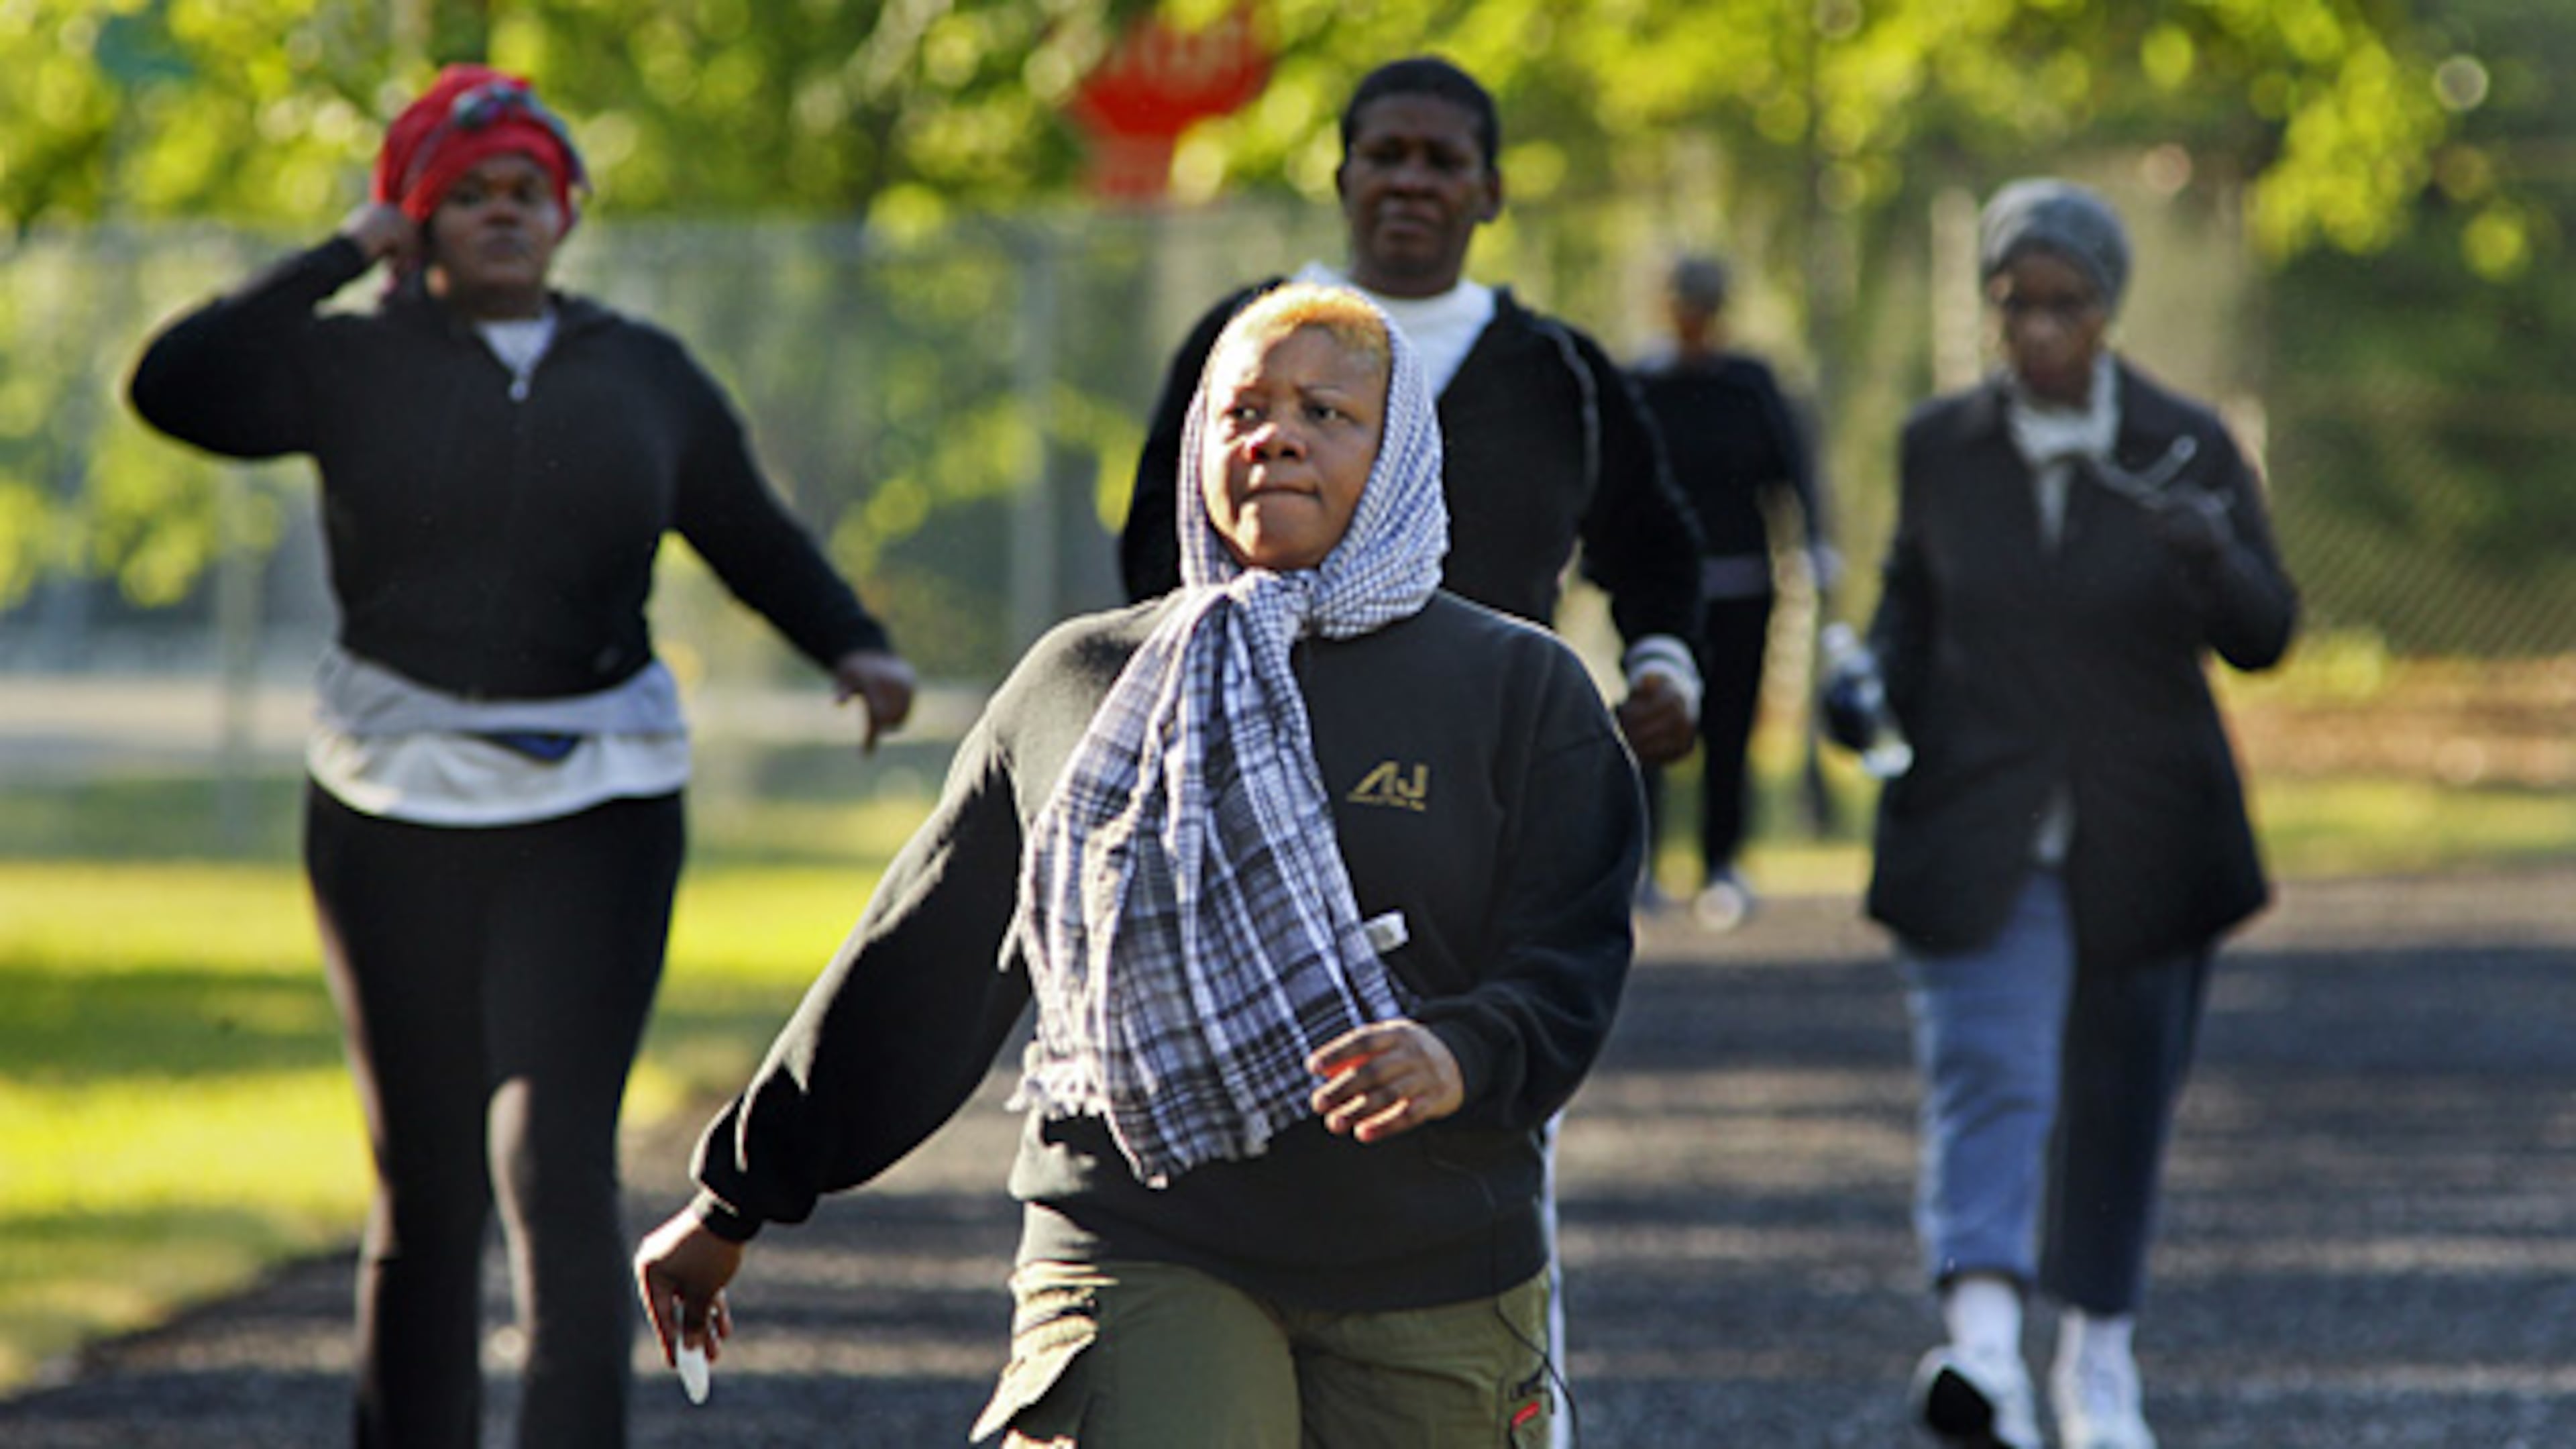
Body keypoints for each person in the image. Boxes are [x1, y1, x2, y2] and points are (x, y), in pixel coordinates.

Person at [633, 283, 1640, 1449]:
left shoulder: (1517, 687)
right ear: (1200, 442)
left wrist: (1464, 1052)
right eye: (1244, 409)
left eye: (1328, 411)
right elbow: (923, 961)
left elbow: (1572, 949)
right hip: (1140, 1234)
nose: (1278, 435)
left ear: (1404, 447)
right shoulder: (1082, 682)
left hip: (1431, 1250)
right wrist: (738, 1196)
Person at [126, 64, 916, 1448]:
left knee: (554, 1163)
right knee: (424, 1181)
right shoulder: (351, 359)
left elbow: (744, 526)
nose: (503, 216)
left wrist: (852, 642)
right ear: (420, 220)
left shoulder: (640, 368)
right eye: (467, 195)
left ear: (567, 216)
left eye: (527, 195)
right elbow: (175, 384)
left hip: (597, 799)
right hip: (391, 798)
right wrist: (348, 246)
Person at [1825, 179, 2298, 1449]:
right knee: (1990, 1074)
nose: (2038, 331)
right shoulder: (1939, 445)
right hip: (1980, 824)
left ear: (2110, 308)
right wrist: (1860, 690)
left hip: (2148, 833)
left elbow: (2266, 635)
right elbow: (1909, 616)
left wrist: (2209, 554)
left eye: (2066, 306)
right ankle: (1984, 1359)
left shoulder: (2186, 440)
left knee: (2119, 1099)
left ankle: (2098, 1366)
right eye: (2014, 305)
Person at [1116, 56, 1705, 774]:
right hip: (1264, 755)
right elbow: (1157, 533)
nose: (1410, 180)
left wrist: (1664, 668)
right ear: (1343, 181)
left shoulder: (1560, 370)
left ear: (1489, 192)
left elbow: (1653, 543)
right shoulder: (1244, 341)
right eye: (1386, 155)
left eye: (1443, 160)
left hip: (1490, 769)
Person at [1628, 254, 1837, 930]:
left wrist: (1815, 542)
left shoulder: (1749, 386)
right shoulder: (1638, 385)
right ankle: (1647, 863)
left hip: (1742, 581)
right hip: (1658, 585)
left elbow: (1792, 468)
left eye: (1705, 304)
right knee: (1655, 719)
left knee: (1729, 725)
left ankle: (1723, 863)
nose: (1695, 316)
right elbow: (1614, 482)